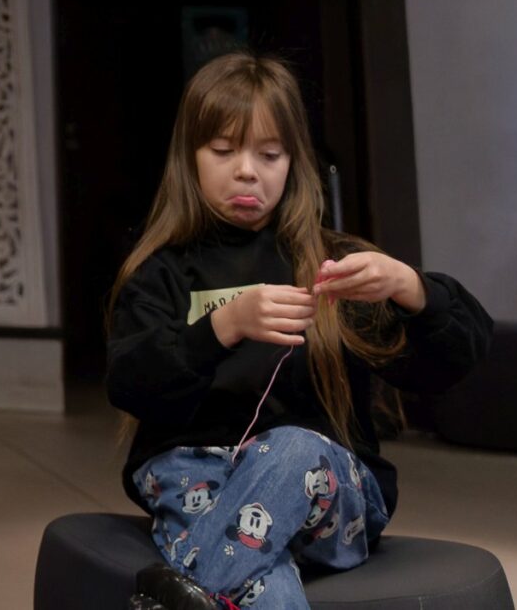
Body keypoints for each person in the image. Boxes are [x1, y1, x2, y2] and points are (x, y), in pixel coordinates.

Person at [106, 53, 489, 610]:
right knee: (261, 577)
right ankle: (209, 585)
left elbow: (453, 364)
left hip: (328, 497)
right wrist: (224, 325)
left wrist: (412, 288)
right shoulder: (160, 272)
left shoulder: (334, 266)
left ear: (294, 162)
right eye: (223, 151)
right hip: (199, 483)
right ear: (189, 158)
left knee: (291, 450)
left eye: (269, 155)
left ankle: (185, 592)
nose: (247, 171)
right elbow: (130, 384)